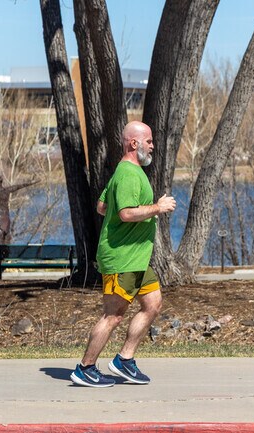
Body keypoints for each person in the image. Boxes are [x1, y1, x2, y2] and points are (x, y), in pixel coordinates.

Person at [70, 121, 176, 388]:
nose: (152, 145)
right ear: (133, 143)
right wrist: (157, 208)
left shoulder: (126, 173)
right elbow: (125, 213)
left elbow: (103, 206)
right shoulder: (128, 173)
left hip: (137, 258)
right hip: (122, 259)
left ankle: (124, 360)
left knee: (153, 305)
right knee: (113, 316)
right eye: (148, 141)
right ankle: (85, 368)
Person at [0, 173, 38, 244]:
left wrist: (31, 182)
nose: (1, 177)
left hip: (5, 217)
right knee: (0, 234)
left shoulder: (6, 190)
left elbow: (19, 186)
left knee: (7, 236)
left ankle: (5, 253)